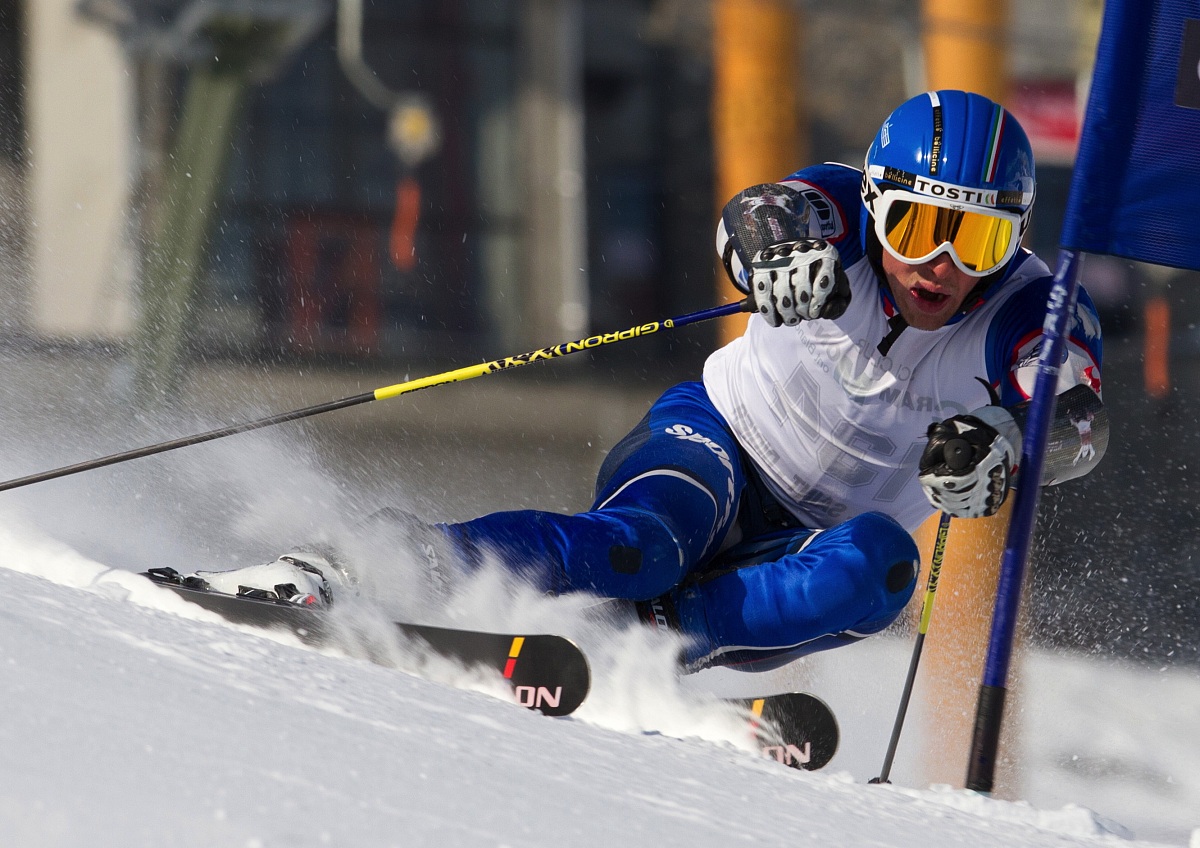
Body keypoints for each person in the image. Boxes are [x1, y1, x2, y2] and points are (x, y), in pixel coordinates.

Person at [193, 90, 1107, 673]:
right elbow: (754, 217)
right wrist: (773, 257)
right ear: (877, 204)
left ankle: (641, 650)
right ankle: (358, 564)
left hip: (809, 548)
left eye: (976, 238)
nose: (939, 263)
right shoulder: (838, 205)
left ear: (1014, 240)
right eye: (914, 226)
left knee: (883, 571)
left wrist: (1009, 442)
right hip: (718, 442)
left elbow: (1075, 419)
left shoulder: (1031, 311)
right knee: (646, 546)